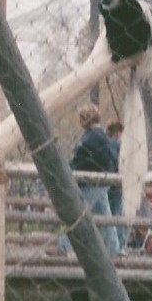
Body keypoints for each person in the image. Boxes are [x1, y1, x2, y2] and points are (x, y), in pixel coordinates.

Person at [52, 103, 122, 257]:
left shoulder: (92, 137)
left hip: (92, 182)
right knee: (105, 214)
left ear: (85, 118)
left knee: (77, 211)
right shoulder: (99, 135)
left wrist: (68, 169)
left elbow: (81, 159)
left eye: (81, 117)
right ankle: (113, 248)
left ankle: (64, 247)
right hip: (101, 180)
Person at [105, 120, 127, 251]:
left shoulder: (105, 143)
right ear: (118, 132)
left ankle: (111, 244)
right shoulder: (117, 144)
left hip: (107, 182)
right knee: (118, 213)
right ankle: (119, 244)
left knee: (109, 213)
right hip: (117, 183)